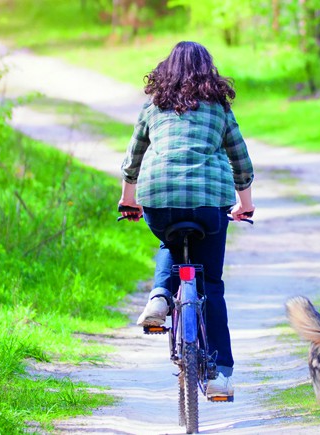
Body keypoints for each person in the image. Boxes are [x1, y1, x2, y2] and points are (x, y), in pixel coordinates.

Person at [118, 41, 256, 399]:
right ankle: (219, 374)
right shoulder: (219, 109)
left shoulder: (153, 106)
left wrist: (128, 201)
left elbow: (133, 157)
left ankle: (161, 295)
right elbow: (240, 160)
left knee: (168, 241)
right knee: (210, 283)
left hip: (159, 200)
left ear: (166, 71)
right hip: (210, 205)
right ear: (208, 72)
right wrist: (246, 205)